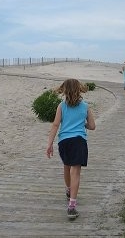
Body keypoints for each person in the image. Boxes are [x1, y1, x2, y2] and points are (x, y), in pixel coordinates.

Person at [46, 79, 96, 219]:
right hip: (79, 141)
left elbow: (55, 125)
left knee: (67, 166)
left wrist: (49, 144)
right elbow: (92, 126)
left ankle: (68, 190)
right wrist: (82, 124)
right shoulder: (85, 106)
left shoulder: (61, 106)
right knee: (76, 171)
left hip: (64, 141)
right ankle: (72, 206)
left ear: (64, 90)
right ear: (79, 90)